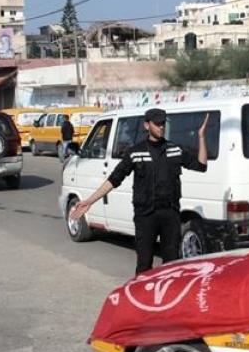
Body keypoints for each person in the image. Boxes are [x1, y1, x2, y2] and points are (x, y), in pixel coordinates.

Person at [71, 108, 209, 274]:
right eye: (157, 123)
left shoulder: (175, 150)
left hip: (170, 214)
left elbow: (201, 166)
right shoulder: (136, 153)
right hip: (145, 216)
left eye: (163, 123)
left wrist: (201, 137)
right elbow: (114, 179)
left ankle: (167, 297)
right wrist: (89, 201)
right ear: (147, 125)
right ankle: (143, 297)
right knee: (144, 264)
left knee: (171, 265)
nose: (161, 127)